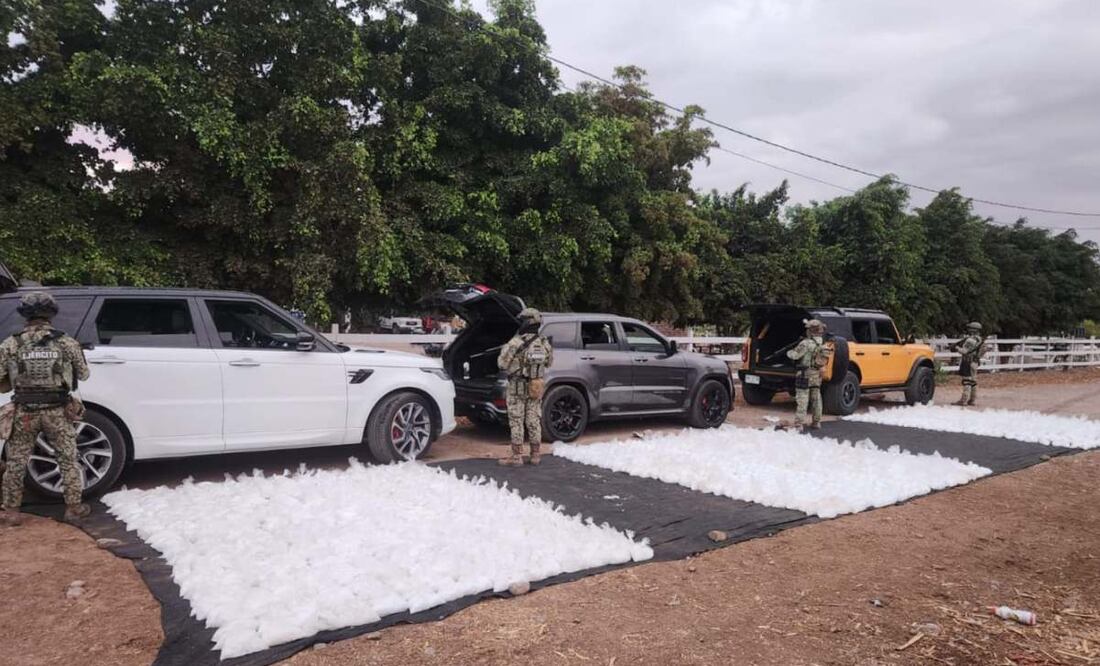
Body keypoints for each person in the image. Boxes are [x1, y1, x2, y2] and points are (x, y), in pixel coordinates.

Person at [0, 292, 91, 527]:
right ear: (52, 314)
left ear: (24, 315)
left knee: (16, 462)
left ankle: (11, 512)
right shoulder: (66, 342)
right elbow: (84, 374)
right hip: (58, 411)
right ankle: (73, 508)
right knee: (68, 459)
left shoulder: (11, 343)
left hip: (24, 411)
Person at [497, 308, 553, 466]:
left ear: (527, 322)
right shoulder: (544, 343)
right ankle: (535, 455)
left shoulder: (515, 343)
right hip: (535, 387)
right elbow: (549, 362)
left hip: (517, 387)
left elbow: (502, 364)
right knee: (534, 419)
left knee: (516, 420)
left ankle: (516, 457)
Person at [786, 319, 830, 431]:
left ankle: (799, 424)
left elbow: (794, 356)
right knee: (816, 399)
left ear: (810, 330)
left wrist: (788, 352)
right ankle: (816, 422)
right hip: (817, 375)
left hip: (804, 375)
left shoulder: (805, 343)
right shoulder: (823, 343)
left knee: (802, 399)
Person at [951, 321, 984, 406]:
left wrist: (956, 348)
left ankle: (964, 400)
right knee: (973, 381)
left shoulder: (970, 340)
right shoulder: (980, 339)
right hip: (975, 362)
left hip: (967, 362)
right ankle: (972, 400)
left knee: (967, 381)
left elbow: (964, 351)